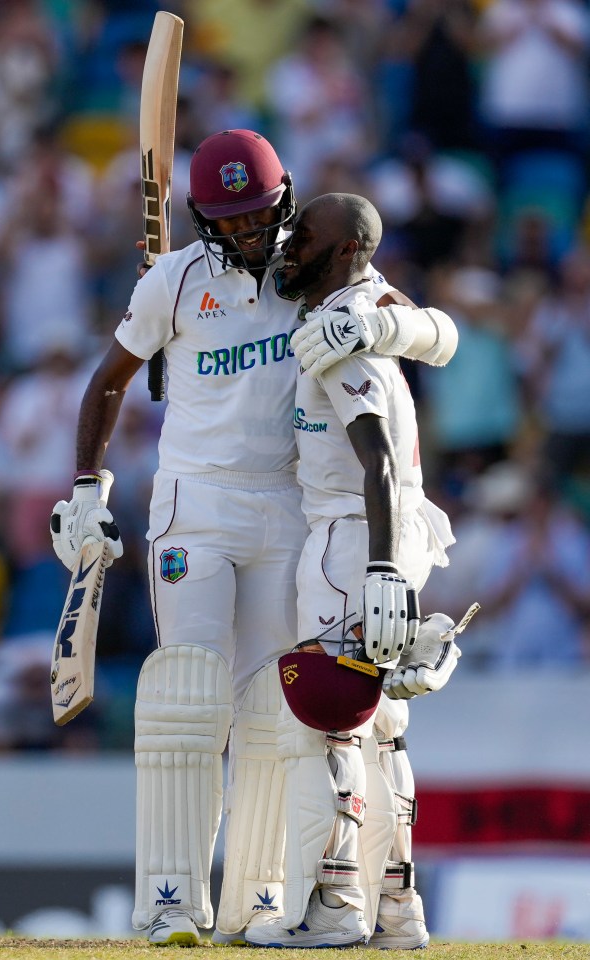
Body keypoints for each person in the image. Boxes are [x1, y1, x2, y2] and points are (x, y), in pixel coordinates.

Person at [49, 129, 458, 947]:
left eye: (257, 217)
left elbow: (435, 333)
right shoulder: (174, 279)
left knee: (282, 708)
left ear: (287, 203)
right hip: (194, 501)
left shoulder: (316, 264)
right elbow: (108, 382)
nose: (243, 236)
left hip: (292, 506)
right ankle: (170, 903)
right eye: (227, 221)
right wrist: (88, 489)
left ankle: (260, 898)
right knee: (187, 697)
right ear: (203, 217)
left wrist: (375, 332)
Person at [245, 194, 458, 949]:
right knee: (386, 728)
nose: (289, 244)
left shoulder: (339, 331)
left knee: (327, 725)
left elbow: (376, 456)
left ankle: (334, 906)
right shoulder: (370, 299)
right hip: (392, 534)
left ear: (342, 251)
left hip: (351, 537)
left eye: (304, 235)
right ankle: (399, 912)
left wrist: (376, 569)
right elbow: (439, 331)